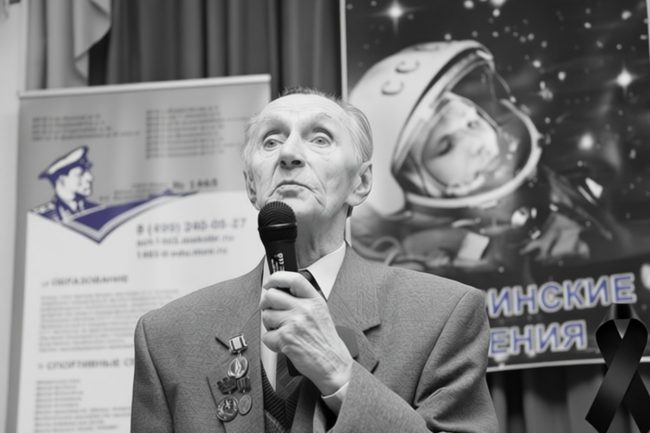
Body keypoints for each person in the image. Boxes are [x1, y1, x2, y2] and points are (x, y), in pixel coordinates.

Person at [130, 88, 498, 433]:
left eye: (320, 138)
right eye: (271, 141)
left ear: (361, 182)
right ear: (251, 186)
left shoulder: (443, 316)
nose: (288, 153)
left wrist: (339, 373)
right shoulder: (167, 336)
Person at [32, 145, 98, 222]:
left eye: (88, 171)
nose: (90, 177)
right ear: (62, 179)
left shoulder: (96, 210)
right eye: (80, 174)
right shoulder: (42, 217)